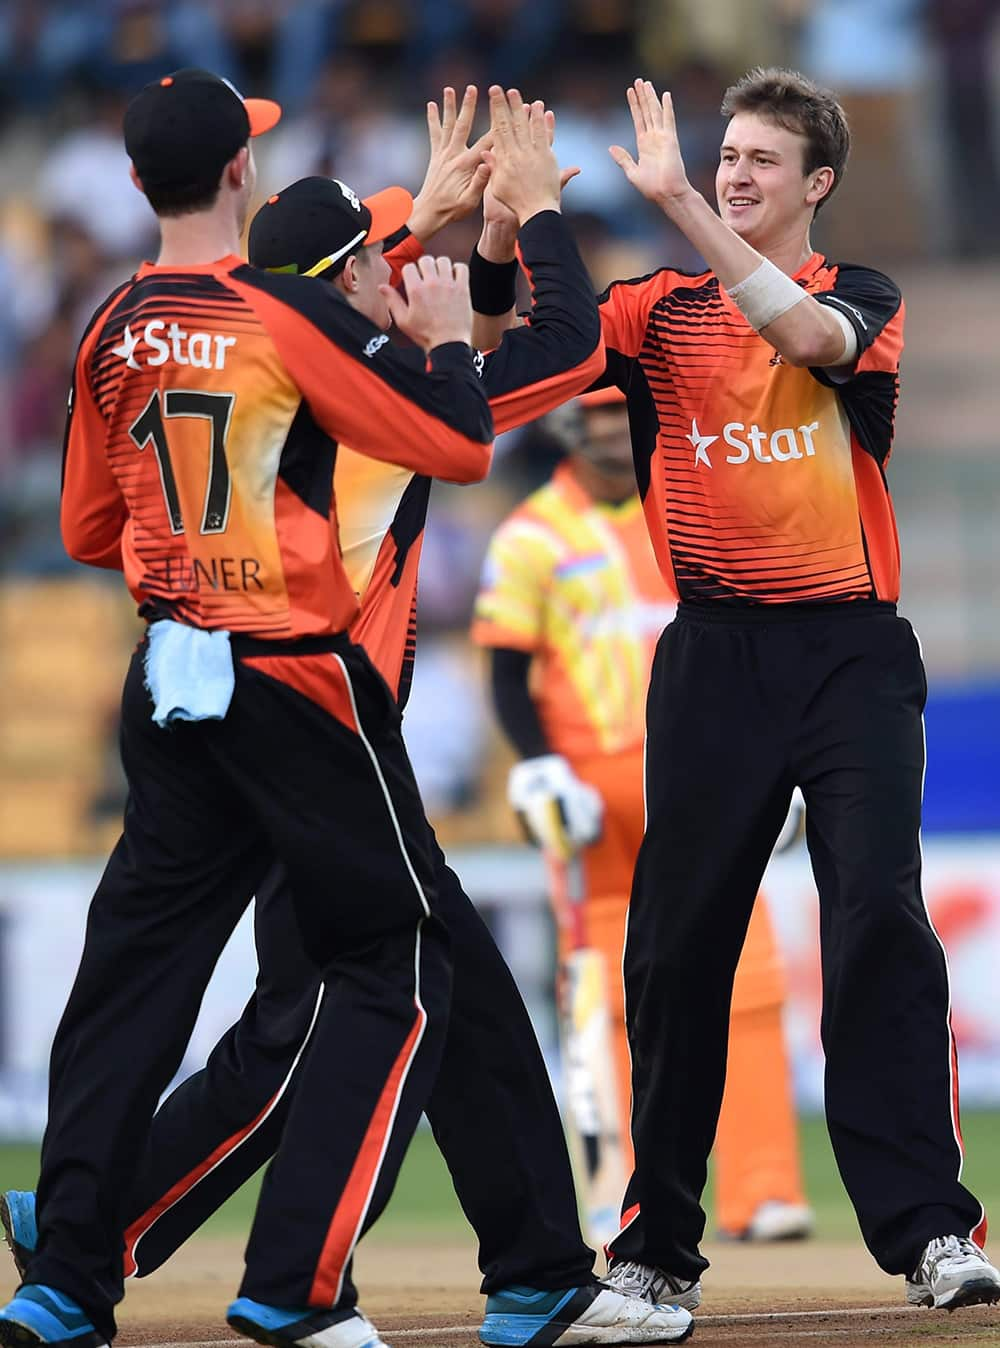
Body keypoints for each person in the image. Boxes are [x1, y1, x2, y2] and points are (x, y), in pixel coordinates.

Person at [0, 83, 693, 1348]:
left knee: (162, 986)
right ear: (243, 164)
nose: (399, 267)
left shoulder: (114, 319)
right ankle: (305, 1284)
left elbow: (89, 525)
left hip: (171, 676)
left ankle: (70, 1261)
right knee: (398, 974)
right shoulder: (313, 346)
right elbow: (536, 372)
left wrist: (418, 225)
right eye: (381, 262)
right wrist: (529, 221)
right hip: (312, 702)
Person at [470, 68, 1000, 1315]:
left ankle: (929, 1232)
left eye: (764, 160)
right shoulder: (654, 308)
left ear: (818, 184)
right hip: (712, 659)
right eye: (725, 156)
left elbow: (808, 343)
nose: (735, 173)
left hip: (850, 652)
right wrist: (504, 228)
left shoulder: (857, 295)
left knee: (874, 911)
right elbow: (513, 356)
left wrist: (672, 206)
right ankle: (654, 1254)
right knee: (674, 948)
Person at [471, 386, 813, 1259]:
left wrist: (788, 762)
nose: (616, 429)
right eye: (599, 415)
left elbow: (764, 634)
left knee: (752, 980)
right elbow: (507, 670)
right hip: (593, 799)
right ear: (567, 425)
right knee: (605, 993)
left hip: (704, 780)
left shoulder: (695, 502)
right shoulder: (532, 535)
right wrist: (539, 765)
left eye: (629, 412)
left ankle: (763, 1189)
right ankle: (617, 1190)